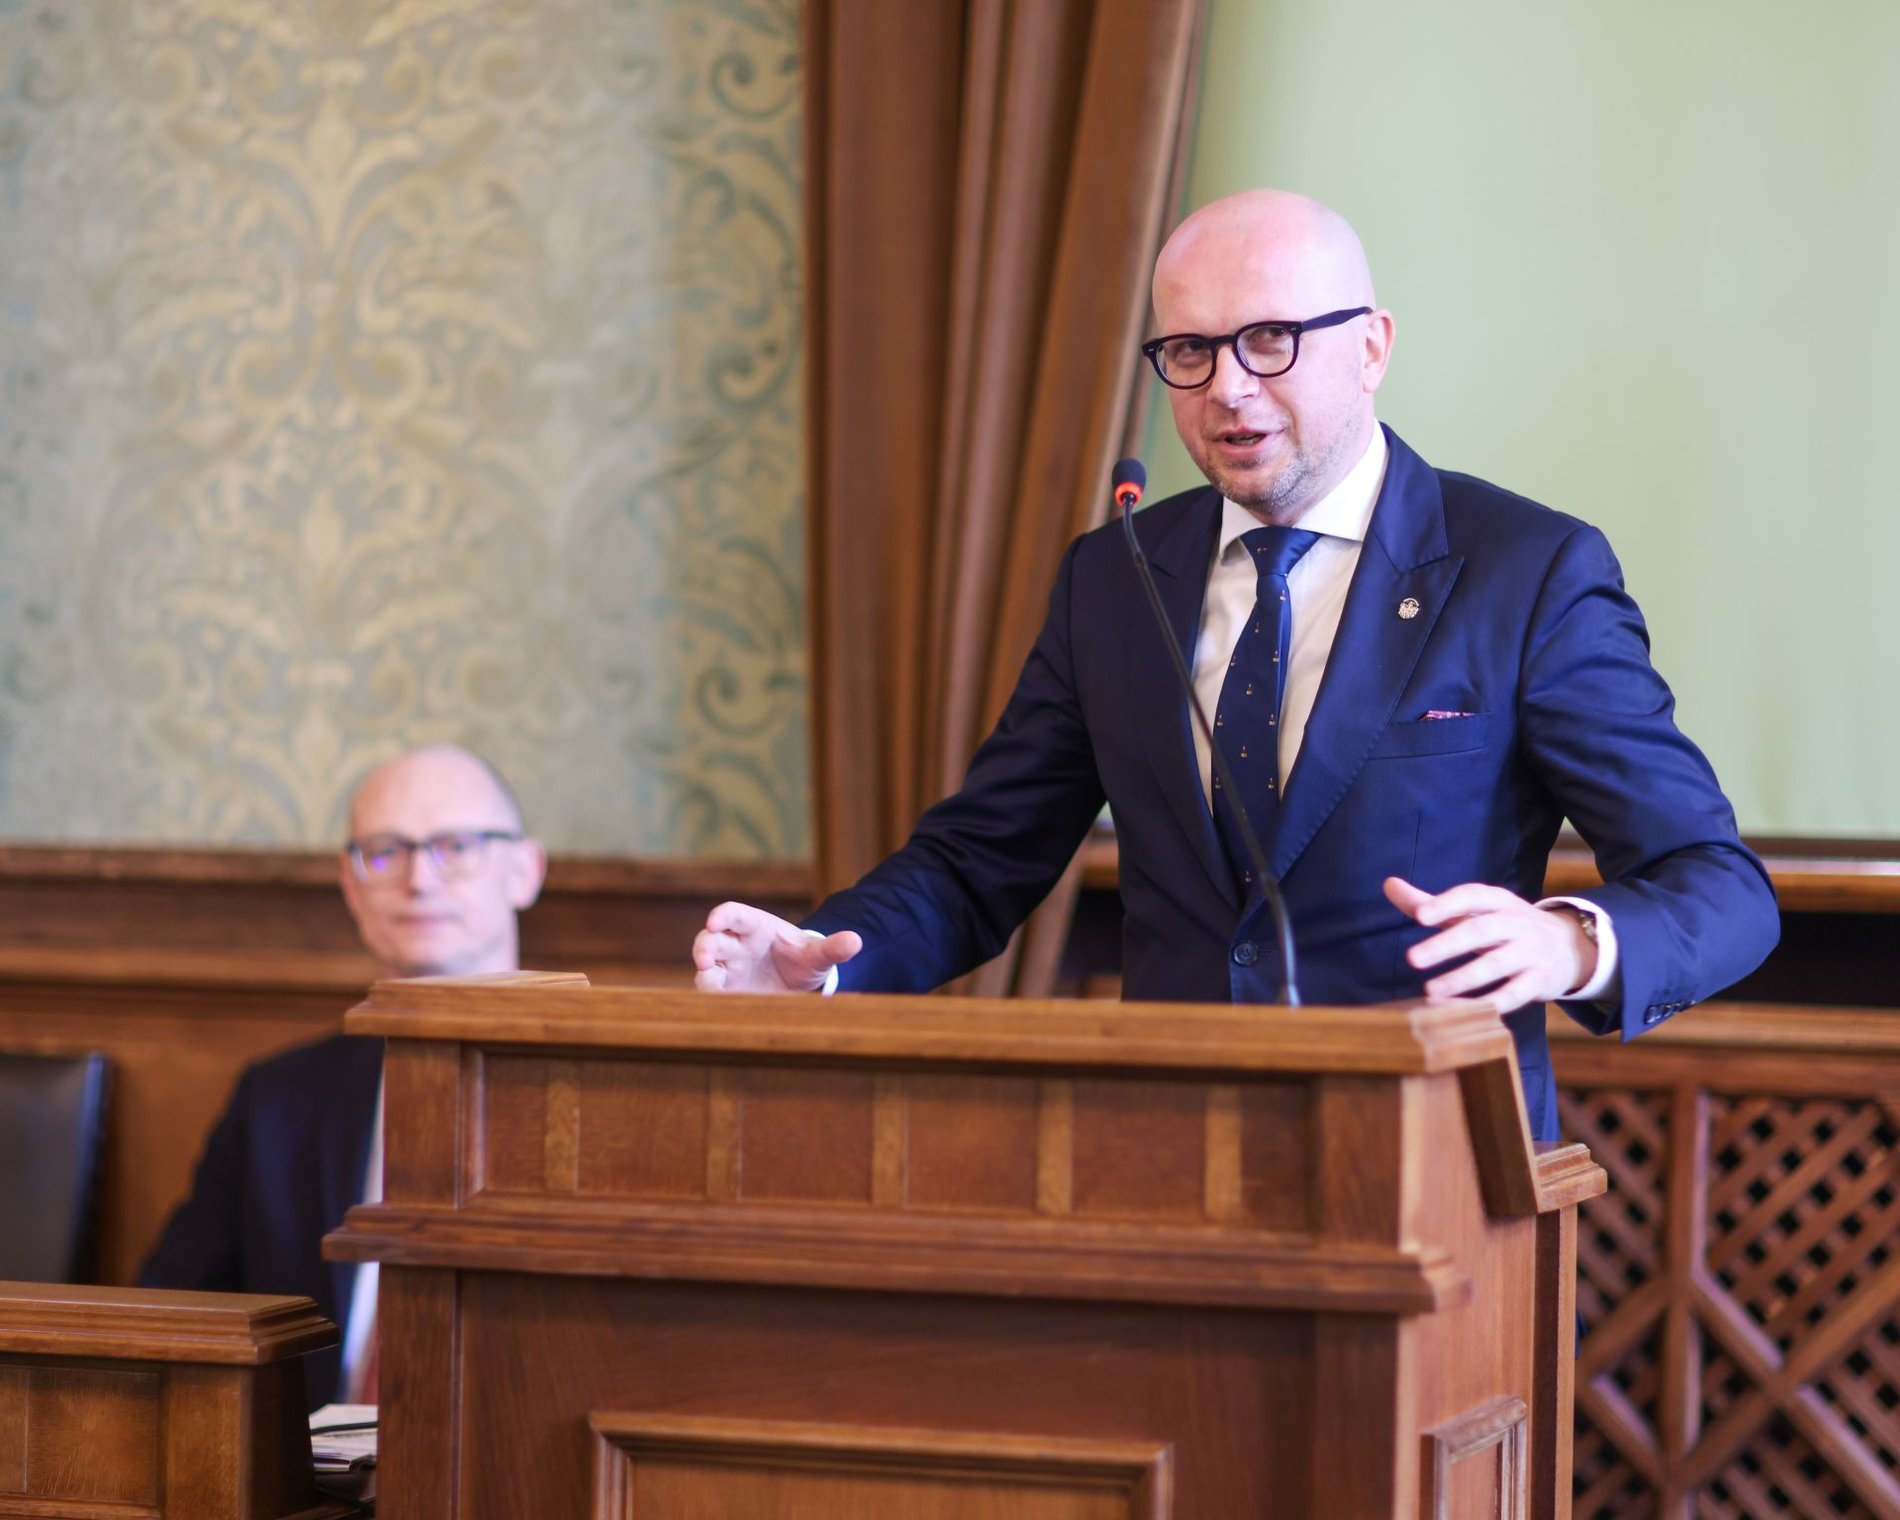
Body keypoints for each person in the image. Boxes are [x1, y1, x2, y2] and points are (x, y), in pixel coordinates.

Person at [692, 188, 1778, 1142]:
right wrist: (825, 956)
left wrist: (1566, 944)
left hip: (1436, 1168)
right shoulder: (1117, 574)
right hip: (1166, 1160)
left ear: (1372, 347)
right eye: (1190, 351)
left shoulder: (1525, 571)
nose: (1229, 388)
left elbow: (1719, 886)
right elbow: (982, 858)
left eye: (1270, 340)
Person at [139, 745, 547, 1408]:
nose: (420, 879)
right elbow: (164, 1316)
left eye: (457, 847)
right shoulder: (276, 1101)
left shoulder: (600, 1098)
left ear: (525, 871)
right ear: (351, 886)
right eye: (385, 853)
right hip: (311, 1466)